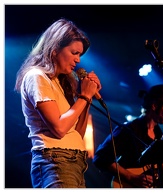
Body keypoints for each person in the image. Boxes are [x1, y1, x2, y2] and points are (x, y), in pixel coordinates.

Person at [14, 18, 101, 188]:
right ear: (54, 50)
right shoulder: (37, 76)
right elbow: (59, 129)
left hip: (75, 162)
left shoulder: (61, 84)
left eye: (80, 55)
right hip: (54, 160)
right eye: (74, 53)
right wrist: (84, 97)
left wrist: (87, 98)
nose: (78, 60)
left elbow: (77, 133)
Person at [93, 84, 163, 188]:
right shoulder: (129, 129)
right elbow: (100, 158)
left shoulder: (159, 134)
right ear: (154, 105)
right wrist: (131, 177)